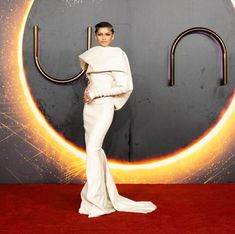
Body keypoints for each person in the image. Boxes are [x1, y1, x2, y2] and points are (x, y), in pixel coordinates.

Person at [78, 21, 157, 218]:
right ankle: (95, 198)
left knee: (93, 149)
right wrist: (88, 92)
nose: (103, 37)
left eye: (107, 34)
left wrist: (97, 93)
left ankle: (97, 201)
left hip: (105, 106)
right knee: (93, 152)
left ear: (113, 36)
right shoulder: (91, 54)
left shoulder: (117, 54)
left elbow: (124, 86)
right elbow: (92, 81)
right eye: (100, 34)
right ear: (96, 36)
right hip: (89, 108)